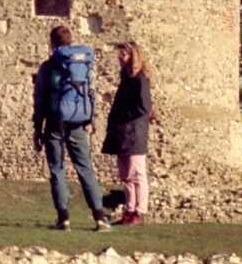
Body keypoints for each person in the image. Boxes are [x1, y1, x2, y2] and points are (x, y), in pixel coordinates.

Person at [32, 24, 110, 232]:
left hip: (54, 122)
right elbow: (91, 93)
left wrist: (37, 128)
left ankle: (64, 219)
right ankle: (100, 219)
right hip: (78, 122)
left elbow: (39, 99)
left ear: (52, 43)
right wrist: (90, 121)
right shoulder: (83, 65)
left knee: (57, 170)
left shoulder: (47, 68)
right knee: (85, 169)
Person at [101, 41, 153, 224]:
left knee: (137, 173)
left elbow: (144, 107)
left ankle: (139, 211)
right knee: (125, 174)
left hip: (134, 132)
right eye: (120, 55)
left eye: (123, 55)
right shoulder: (127, 77)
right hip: (124, 132)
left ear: (133, 56)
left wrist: (123, 115)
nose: (120, 58)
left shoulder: (139, 79)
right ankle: (129, 211)